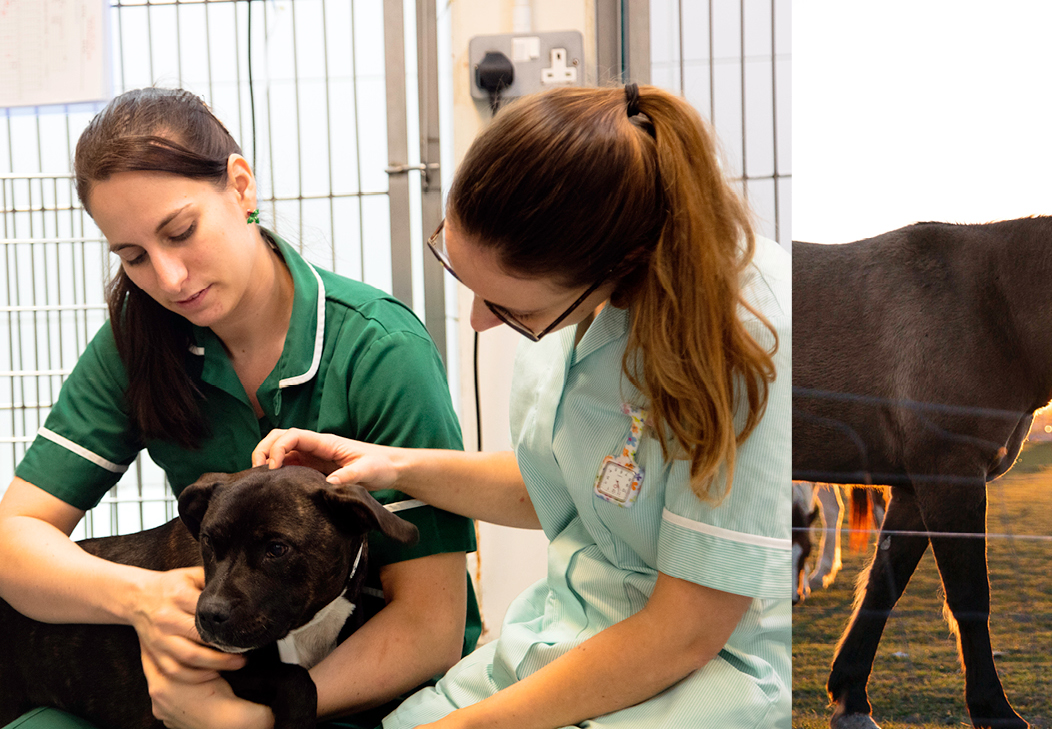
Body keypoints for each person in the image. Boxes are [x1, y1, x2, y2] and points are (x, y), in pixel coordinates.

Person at [253, 83, 791, 728]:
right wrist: (392, 466)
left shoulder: (748, 340)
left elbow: (687, 631)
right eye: (465, 280)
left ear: (619, 265)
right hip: (562, 635)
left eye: (513, 310)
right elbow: (567, 484)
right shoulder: (577, 309)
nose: (479, 321)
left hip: (701, 673)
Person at [0, 88, 479, 729]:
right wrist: (141, 597)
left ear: (241, 186)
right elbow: (13, 541)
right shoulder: (138, 342)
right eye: (133, 256)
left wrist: (258, 719)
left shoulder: (379, 349)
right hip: (216, 670)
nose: (169, 279)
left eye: (181, 232)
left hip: (367, 683)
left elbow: (431, 626)